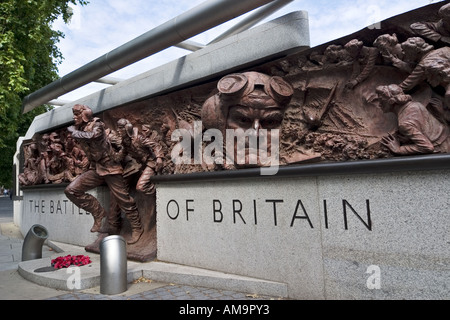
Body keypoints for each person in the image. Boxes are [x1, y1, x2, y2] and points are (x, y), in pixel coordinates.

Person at [64, 104, 143, 244]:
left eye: (76, 115)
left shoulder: (97, 125)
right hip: (96, 169)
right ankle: (98, 213)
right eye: (74, 115)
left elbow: (94, 136)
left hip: (111, 168)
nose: (74, 118)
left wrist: (75, 133)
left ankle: (137, 227)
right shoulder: (80, 128)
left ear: (84, 115)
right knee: (71, 190)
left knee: (123, 200)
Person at [376, 84, 450, 155]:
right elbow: (425, 127)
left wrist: (399, 149)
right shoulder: (415, 104)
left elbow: (427, 147)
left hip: (441, 149)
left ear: (391, 101)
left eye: (381, 101)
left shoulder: (404, 124)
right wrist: (410, 138)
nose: (379, 104)